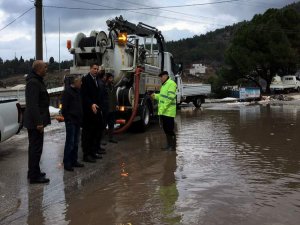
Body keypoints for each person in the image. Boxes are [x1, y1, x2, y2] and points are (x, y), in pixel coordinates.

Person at [24, 60, 51, 184]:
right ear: (39, 69)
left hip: (36, 121)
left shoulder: (37, 80)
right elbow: (33, 105)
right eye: (45, 67)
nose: (46, 69)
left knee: (35, 148)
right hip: (35, 122)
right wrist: (39, 122)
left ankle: (34, 171)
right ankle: (34, 177)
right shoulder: (33, 82)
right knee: (35, 149)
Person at [81, 63, 103, 162]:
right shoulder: (86, 80)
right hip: (88, 112)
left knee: (95, 132)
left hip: (96, 110)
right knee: (87, 134)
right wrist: (91, 104)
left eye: (97, 69)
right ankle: (86, 155)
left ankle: (93, 152)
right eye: (94, 68)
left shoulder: (97, 79)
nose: (96, 70)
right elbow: (84, 96)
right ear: (90, 69)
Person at [61, 75, 84, 171]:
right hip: (71, 121)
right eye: (80, 82)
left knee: (75, 142)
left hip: (77, 120)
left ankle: (74, 161)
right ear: (74, 83)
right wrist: (68, 118)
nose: (81, 83)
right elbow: (64, 109)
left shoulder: (78, 91)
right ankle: (67, 163)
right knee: (70, 142)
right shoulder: (67, 92)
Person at [151, 71, 177, 151]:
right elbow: (162, 97)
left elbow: (170, 98)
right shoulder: (164, 85)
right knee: (166, 129)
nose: (161, 79)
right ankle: (169, 145)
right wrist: (155, 96)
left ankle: (172, 147)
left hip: (168, 112)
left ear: (166, 76)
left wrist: (162, 109)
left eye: (161, 77)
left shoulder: (171, 84)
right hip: (164, 112)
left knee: (169, 130)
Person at [96, 67, 108, 154]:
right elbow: (101, 97)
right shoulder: (101, 84)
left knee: (100, 127)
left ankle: (98, 146)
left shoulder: (99, 83)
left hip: (102, 108)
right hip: (102, 108)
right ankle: (98, 146)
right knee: (100, 127)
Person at [106, 73, 118, 143]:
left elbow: (115, 97)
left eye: (112, 78)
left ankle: (111, 138)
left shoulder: (113, 87)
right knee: (104, 124)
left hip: (112, 108)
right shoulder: (104, 87)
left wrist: (116, 104)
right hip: (107, 108)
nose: (111, 79)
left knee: (111, 124)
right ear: (107, 79)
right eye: (110, 78)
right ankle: (102, 139)